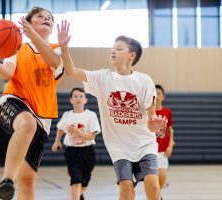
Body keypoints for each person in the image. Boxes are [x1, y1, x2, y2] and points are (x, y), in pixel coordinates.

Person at [57, 20, 167, 200]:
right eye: (113, 47)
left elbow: (151, 113)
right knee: (126, 188)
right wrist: (64, 47)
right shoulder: (102, 78)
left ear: (132, 55)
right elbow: (70, 71)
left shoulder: (144, 80)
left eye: (119, 48)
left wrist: (153, 122)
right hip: (119, 147)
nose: (113, 51)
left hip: (144, 143)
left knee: (153, 187)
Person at [0, 7, 64, 200]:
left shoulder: (57, 49)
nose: (46, 19)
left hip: (43, 116)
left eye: (49, 17)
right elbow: (7, 74)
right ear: (29, 22)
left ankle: (10, 187)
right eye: (40, 16)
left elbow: (53, 62)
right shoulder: (17, 48)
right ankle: (6, 181)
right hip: (12, 101)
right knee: (27, 123)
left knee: (27, 181)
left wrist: (34, 36)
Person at [51, 87, 101, 200]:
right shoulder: (67, 115)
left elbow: (91, 136)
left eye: (81, 96)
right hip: (72, 151)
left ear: (85, 100)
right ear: (71, 100)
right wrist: (57, 141)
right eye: (75, 96)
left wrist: (78, 132)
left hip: (87, 152)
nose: (78, 98)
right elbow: (61, 129)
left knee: (84, 181)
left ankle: (80, 194)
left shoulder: (91, 115)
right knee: (76, 181)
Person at [155, 84, 174, 197]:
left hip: (162, 151)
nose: (156, 96)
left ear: (163, 97)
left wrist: (170, 145)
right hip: (149, 151)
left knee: (162, 177)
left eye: (158, 93)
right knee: (152, 181)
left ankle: (158, 195)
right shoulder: (147, 113)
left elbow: (170, 130)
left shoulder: (167, 112)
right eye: (154, 93)